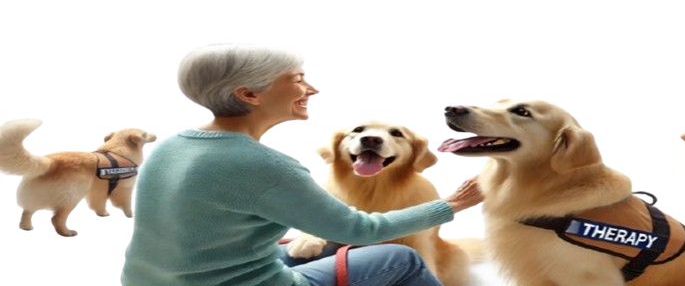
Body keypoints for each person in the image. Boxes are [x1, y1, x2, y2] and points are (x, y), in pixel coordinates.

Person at [120, 42, 483, 286]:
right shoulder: (267, 166)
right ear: (249, 95)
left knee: (318, 246)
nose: (311, 90)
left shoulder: (171, 145)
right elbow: (361, 231)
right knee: (400, 258)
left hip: (147, 280)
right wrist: (453, 204)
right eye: (298, 81)